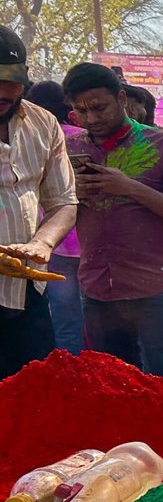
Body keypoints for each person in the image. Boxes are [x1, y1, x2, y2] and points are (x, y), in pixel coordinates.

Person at [61, 61, 163, 381]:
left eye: (99, 107)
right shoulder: (68, 151)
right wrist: (72, 195)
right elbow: (52, 212)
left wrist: (129, 188)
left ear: (122, 98)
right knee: (113, 389)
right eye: (81, 111)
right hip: (98, 288)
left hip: (155, 285)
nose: (92, 118)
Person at [0, 31, 76, 377]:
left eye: (11, 83)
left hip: (27, 292)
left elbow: (63, 202)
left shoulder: (43, 124)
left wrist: (42, 243)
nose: (3, 93)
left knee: (31, 394)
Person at [23, 79, 86, 355]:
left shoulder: (33, 137)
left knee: (64, 318)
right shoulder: (83, 137)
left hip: (52, 244)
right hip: (88, 240)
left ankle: (71, 374)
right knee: (96, 316)